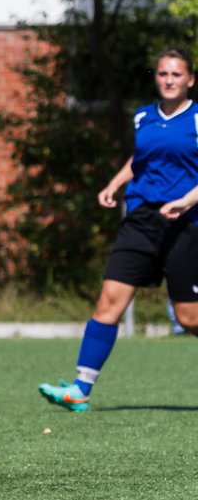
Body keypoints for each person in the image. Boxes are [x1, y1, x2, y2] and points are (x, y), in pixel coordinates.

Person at [40, 47, 198, 412]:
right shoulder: (143, 117)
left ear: (190, 80)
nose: (169, 80)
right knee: (108, 302)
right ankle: (80, 389)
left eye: (177, 74)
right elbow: (139, 160)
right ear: (156, 77)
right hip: (142, 220)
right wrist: (113, 184)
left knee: (190, 317)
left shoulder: (195, 119)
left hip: (186, 223)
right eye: (163, 74)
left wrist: (187, 201)